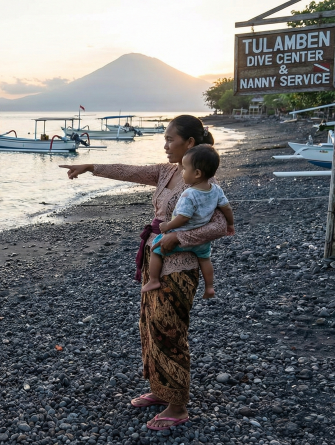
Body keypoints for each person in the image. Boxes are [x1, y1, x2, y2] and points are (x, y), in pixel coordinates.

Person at [60, 115, 232, 431]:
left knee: (170, 332)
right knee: (150, 327)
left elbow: (220, 225)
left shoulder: (202, 182)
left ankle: (177, 405)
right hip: (154, 262)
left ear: (189, 143)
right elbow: (129, 171)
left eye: (170, 139)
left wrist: (178, 237)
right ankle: (160, 389)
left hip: (180, 268)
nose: (165, 145)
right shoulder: (167, 171)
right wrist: (91, 167)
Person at [142, 144, 234, 298]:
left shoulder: (189, 194)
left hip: (181, 235)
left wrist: (168, 225)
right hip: (202, 241)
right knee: (205, 260)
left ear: (197, 173)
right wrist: (230, 224)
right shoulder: (216, 189)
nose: (182, 172)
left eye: (184, 169)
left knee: (155, 250)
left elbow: (183, 217)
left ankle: (153, 280)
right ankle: (209, 287)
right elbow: (227, 208)